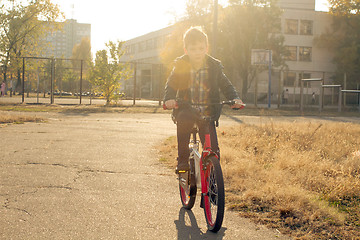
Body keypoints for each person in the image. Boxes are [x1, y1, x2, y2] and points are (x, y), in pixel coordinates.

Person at [163, 26, 244, 173]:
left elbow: (225, 85)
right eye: (193, 49)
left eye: (201, 48)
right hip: (186, 109)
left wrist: (235, 98)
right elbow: (171, 83)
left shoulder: (213, 66)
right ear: (186, 50)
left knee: (212, 149)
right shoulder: (181, 65)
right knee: (183, 122)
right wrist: (169, 99)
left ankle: (212, 178)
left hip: (208, 111)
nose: (197, 53)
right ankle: (182, 160)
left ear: (206, 48)